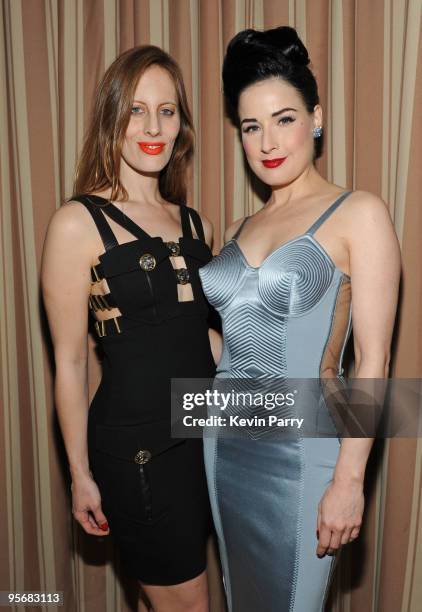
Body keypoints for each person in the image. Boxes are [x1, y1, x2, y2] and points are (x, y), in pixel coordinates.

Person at [199, 27, 400, 611]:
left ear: (316, 118)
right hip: (223, 445)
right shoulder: (238, 227)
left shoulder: (358, 213)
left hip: (305, 455)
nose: (267, 141)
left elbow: (374, 360)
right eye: (250, 126)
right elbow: (232, 349)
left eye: (284, 119)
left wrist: (350, 479)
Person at [42, 45, 221, 612]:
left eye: (167, 111)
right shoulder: (77, 223)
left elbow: (202, 338)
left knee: (168, 597)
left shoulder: (197, 224)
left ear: (181, 125)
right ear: (111, 118)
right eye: (136, 110)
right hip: (135, 447)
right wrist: (79, 473)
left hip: (202, 439)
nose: (153, 127)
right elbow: (69, 362)